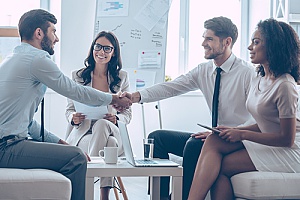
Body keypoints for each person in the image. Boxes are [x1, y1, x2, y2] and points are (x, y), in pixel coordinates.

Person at [0, 9, 131, 200]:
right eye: (53, 31)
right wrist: (113, 98)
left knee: (73, 151)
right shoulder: (37, 59)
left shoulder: (13, 58)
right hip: (7, 147)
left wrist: (60, 142)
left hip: (8, 143)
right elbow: (73, 90)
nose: (56, 38)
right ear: (39, 33)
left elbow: (27, 123)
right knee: (76, 157)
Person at [123, 16, 256, 200]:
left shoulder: (247, 73)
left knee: (194, 145)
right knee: (157, 138)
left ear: (227, 42)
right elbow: (172, 87)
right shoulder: (203, 70)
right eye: (203, 38)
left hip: (236, 141)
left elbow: (257, 118)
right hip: (214, 137)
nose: (203, 43)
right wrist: (134, 97)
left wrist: (224, 134)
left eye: (209, 39)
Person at [188, 18, 300, 200]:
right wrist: (234, 130)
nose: (249, 47)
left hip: (290, 151)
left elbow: (287, 139)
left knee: (220, 167)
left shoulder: (285, 85)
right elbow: (266, 123)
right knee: (214, 140)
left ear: (273, 46)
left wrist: (242, 134)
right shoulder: (260, 77)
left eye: (256, 42)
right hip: (269, 141)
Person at [65, 31, 131, 200]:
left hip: (110, 127)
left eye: (107, 48)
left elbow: (128, 114)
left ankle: (87, 185)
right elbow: (69, 109)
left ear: (114, 52)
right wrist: (73, 118)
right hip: (84, 130)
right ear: (92, 49)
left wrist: (117, 119)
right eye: (98, 47)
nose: (101, 52)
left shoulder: (121, 78)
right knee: (111, 144)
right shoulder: (78, 76)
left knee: (103, 125)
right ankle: (104, 197)